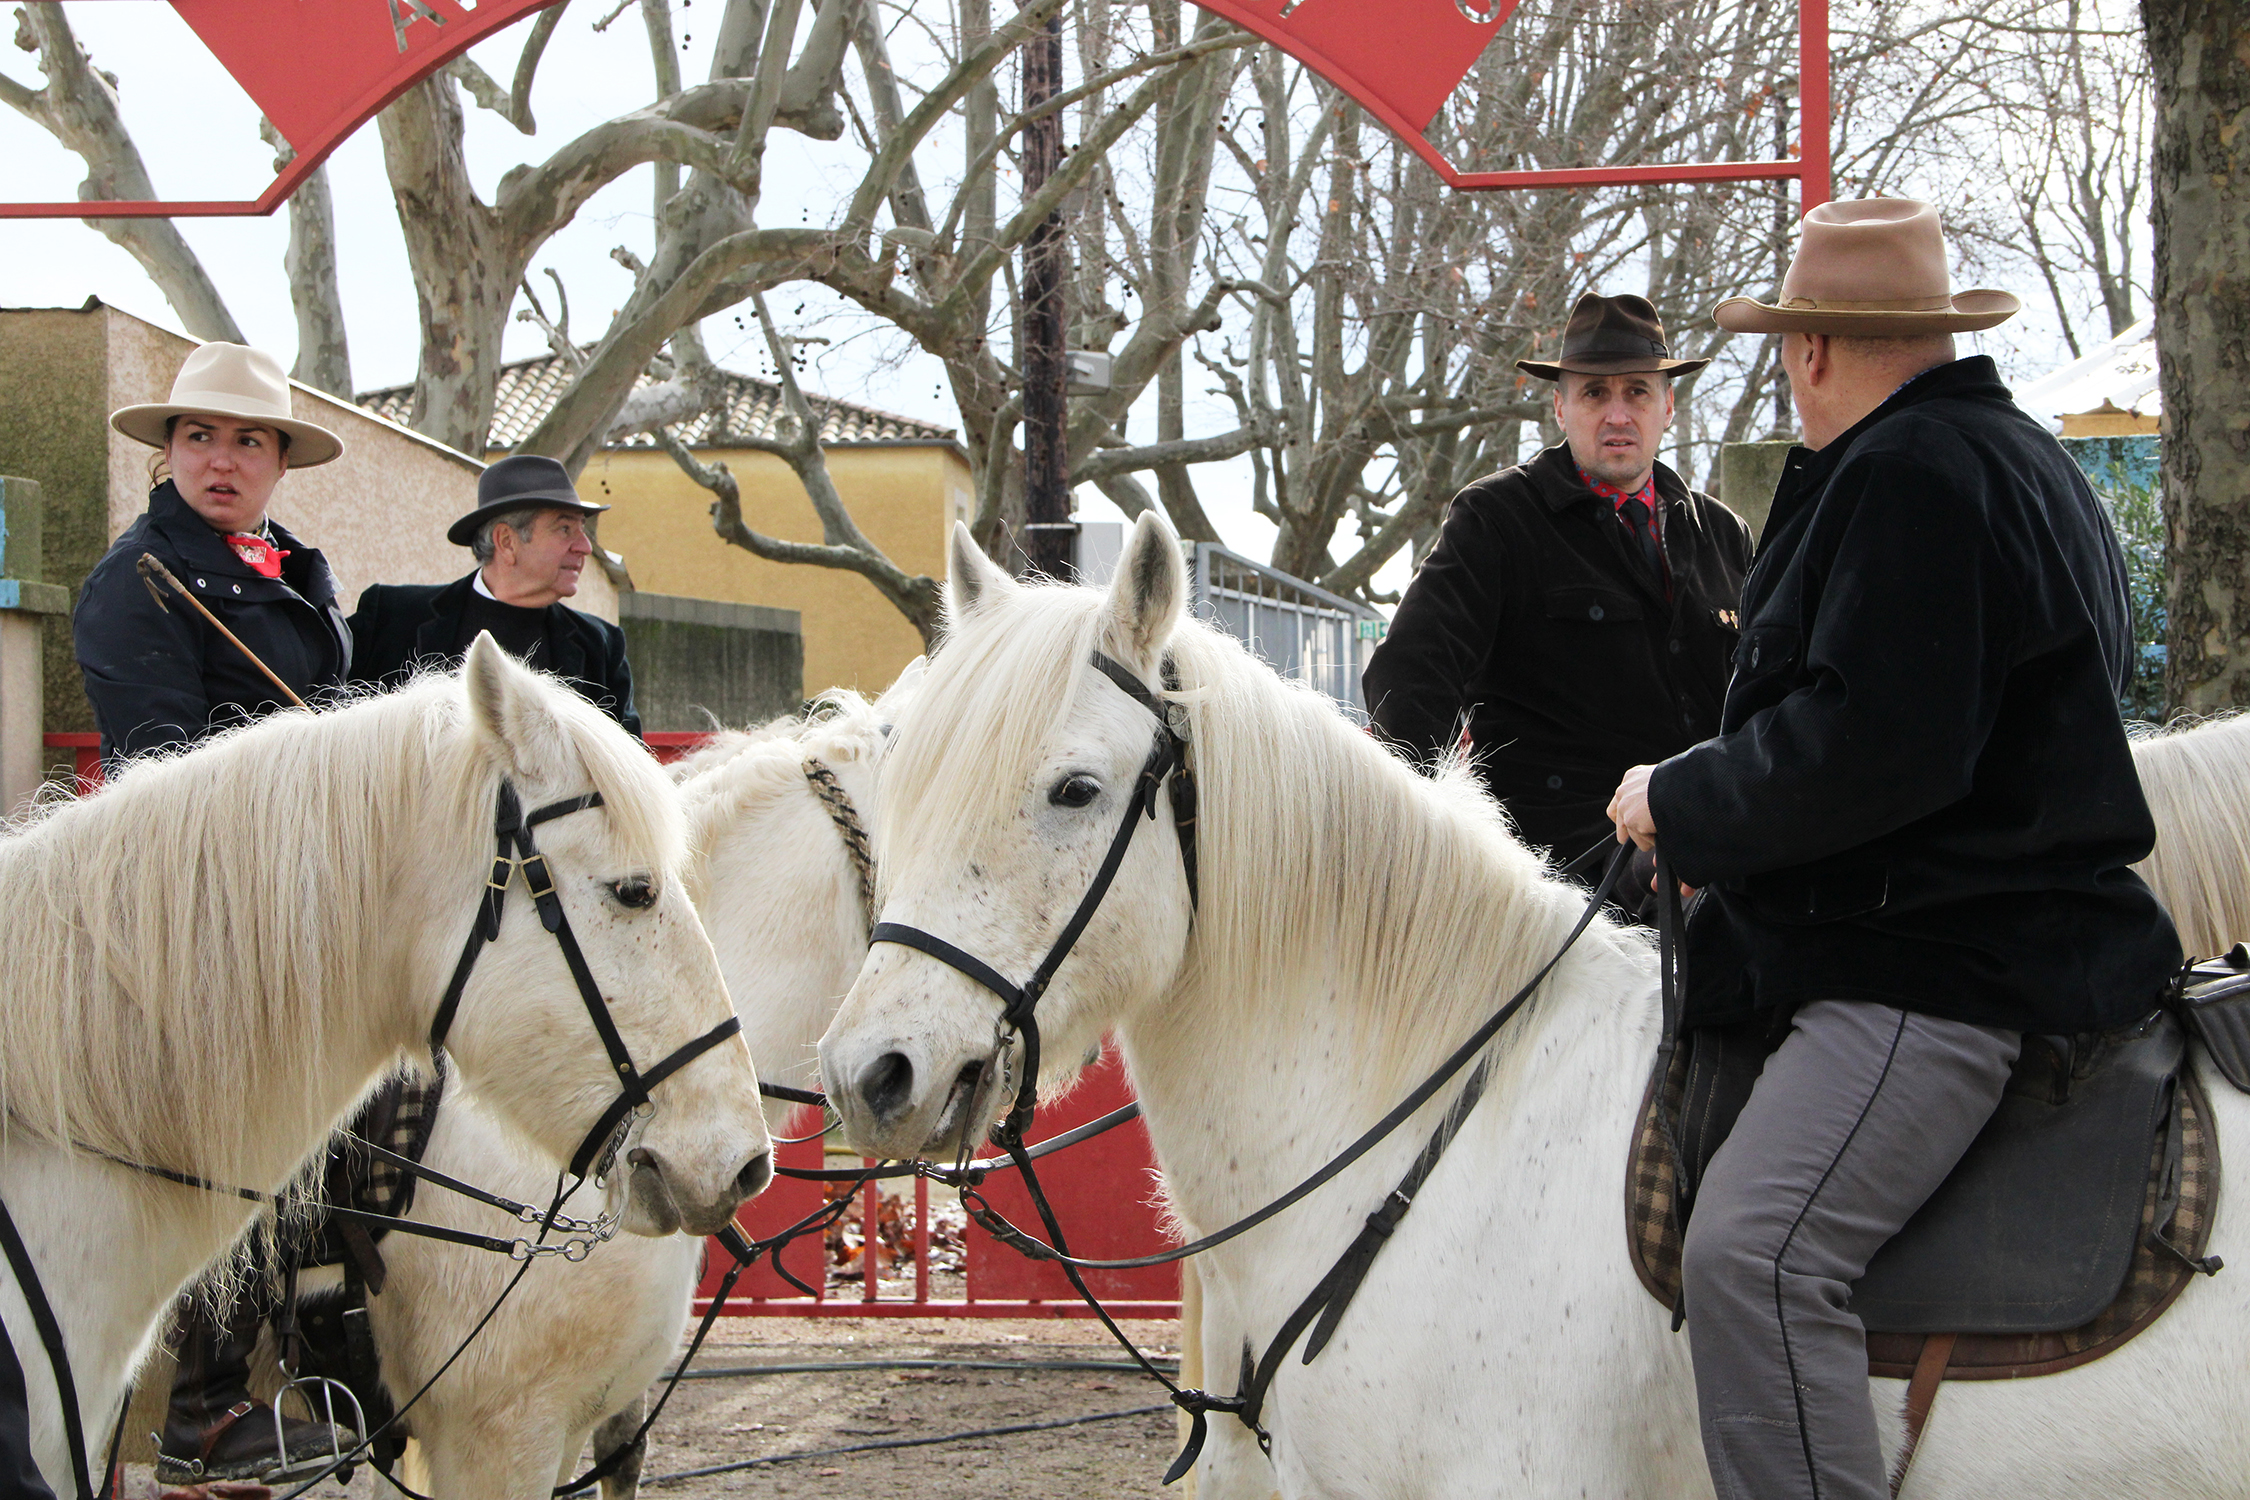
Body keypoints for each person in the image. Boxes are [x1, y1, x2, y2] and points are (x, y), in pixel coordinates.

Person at [1605, 199, 2182, 1500]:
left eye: (1784, 346)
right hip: (1972, 937)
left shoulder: (1912, 475)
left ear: (1810, 346)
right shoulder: (2011, 458)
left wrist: (1682, 800)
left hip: (1930, 968)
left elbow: (1871, 747)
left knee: (1752, 1257)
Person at [73, 341, 359, 1484]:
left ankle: (346, 1355)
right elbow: (169, 780)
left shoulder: (294, 569)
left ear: (280, 461)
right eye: (200, 436)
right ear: (169, 452)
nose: (222, 460)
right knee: (244, 1130)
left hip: (309, 891)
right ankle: (201, 1406)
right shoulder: (136, 581)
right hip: (198, 899)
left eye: (247, 440)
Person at [1362, 292, 1752, 874]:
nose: (1617, 415)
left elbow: (1763, 705)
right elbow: (1408, 681)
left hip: (1710, 861)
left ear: (1668, 405)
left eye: (1637, 392)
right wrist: (1452, 847)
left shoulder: (1722, 534)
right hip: (1556, 884)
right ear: (1560, 408)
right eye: (1594, 393)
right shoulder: (1498, 518)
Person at [348, 454, 640, 736]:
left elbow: (627, 763)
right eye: (565, 529)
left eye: (582, 529)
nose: (584, 547)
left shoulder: (600, 646)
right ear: (507, 541)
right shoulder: (392, 618)